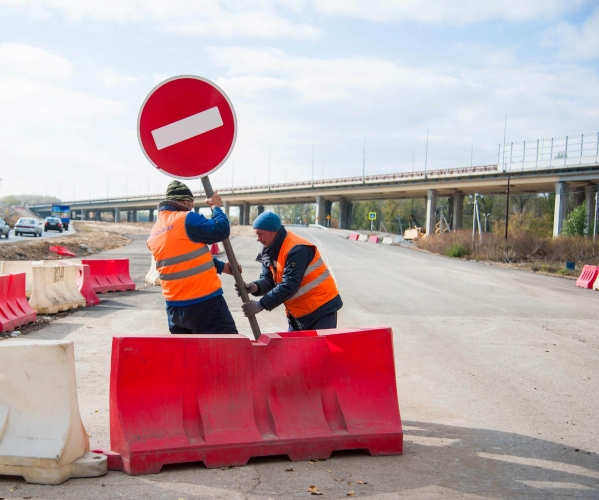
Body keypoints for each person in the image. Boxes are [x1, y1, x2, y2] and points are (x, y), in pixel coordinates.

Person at [147, 180, 238, 334]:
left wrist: (222, 267)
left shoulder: (155, 231)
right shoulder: (186, 218)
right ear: (185, 202)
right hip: (205, 304)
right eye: (191, 204)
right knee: (225, 350)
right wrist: (216, 207)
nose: (192, 208)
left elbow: (184, 261)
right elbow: (221, 230)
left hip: (174, 309)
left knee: (190, 356)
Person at [238, 211, 343, 331]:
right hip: (298, 313)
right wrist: (255, 287)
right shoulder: (269, 251)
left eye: (260, 234)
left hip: (321, 309)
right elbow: (268, 280)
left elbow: (289, 285)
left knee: (319, 349)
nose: (258, 239)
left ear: (273, 232)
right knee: (295, 349)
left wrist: (261, 304)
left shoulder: (297, 249)